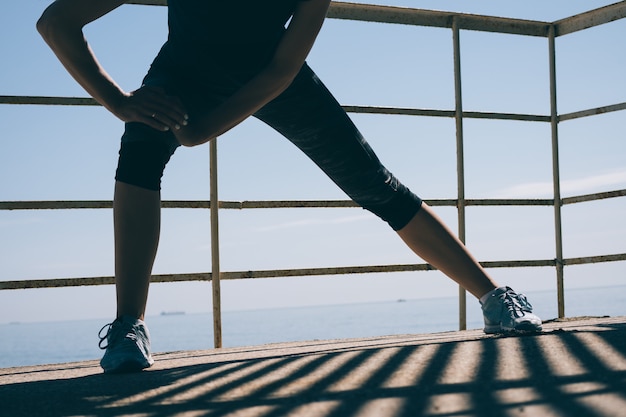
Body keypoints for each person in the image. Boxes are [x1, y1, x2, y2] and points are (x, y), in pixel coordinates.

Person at [37, 0, 542, 374]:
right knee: (138, 158)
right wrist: (119, 101)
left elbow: (280, 69)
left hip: (274, 75)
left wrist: (201, 130)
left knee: (374, 183)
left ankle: (495, 298)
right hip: (182, 74)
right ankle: (129, 327)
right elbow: (56, 22)